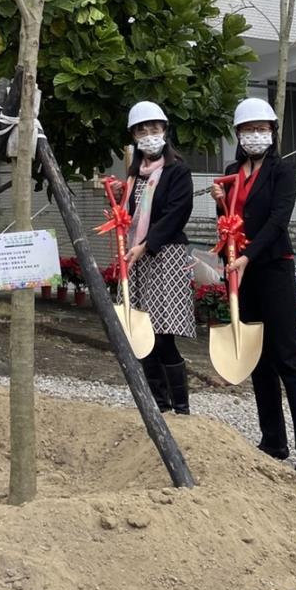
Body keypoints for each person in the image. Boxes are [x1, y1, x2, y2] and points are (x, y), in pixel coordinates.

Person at [209, 97, 296, 475]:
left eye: (262, 128)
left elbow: (277, 221)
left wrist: (247, 257)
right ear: (238, 135)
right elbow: (227, 224)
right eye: (248, 129)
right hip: (240, 271)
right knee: (256, 358)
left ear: (272, 132)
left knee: (288, 357)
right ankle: (272, 440)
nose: (255, 135)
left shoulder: (282, 172)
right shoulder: (231, 171)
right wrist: (221, 203)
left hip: (271, 268)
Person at [116, 100, 196, 415]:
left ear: (164, 130)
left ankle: (181, 405)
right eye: (142, 130)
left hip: (166, 256)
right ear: (134, 136)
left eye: (154, 129)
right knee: (141, 332)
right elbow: (130, 214)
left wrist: (147, 244)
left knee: (164, 334)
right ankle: (157, 404)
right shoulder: (134, 176)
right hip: (138, 260)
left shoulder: (177, 170)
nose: (149, 135)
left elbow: (178, 213)